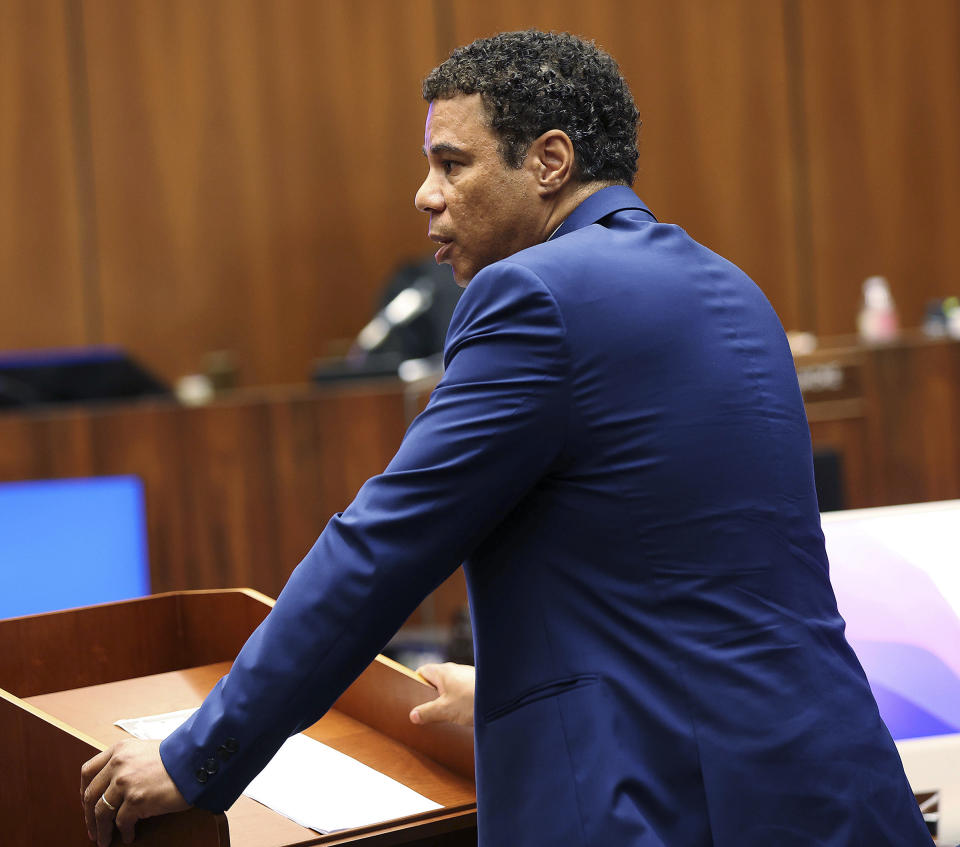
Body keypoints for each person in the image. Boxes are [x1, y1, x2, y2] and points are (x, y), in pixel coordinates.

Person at [81, 30, 931, 846]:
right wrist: (510, 691)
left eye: (452, 163)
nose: (424, 193)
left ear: (549, 163)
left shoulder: (533, 296)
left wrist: (197, 758)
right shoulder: (731, 286)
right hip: (836, 786)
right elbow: (689, 588)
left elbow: (379, 550)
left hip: (669, 806)